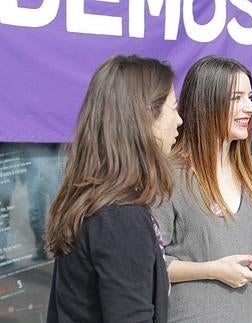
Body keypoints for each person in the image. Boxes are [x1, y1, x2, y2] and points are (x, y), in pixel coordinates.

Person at [45, 55, 182, 323]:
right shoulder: (120, 218)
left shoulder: (96, 203)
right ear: (146, 117)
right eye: (174, 108)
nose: (179, 120)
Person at [152, 55, 252, 322]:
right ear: (205, 104)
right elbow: (149, 264)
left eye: (250, 97)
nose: (251, 108)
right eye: (237, 98)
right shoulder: (169, 174)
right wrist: (213, 270)